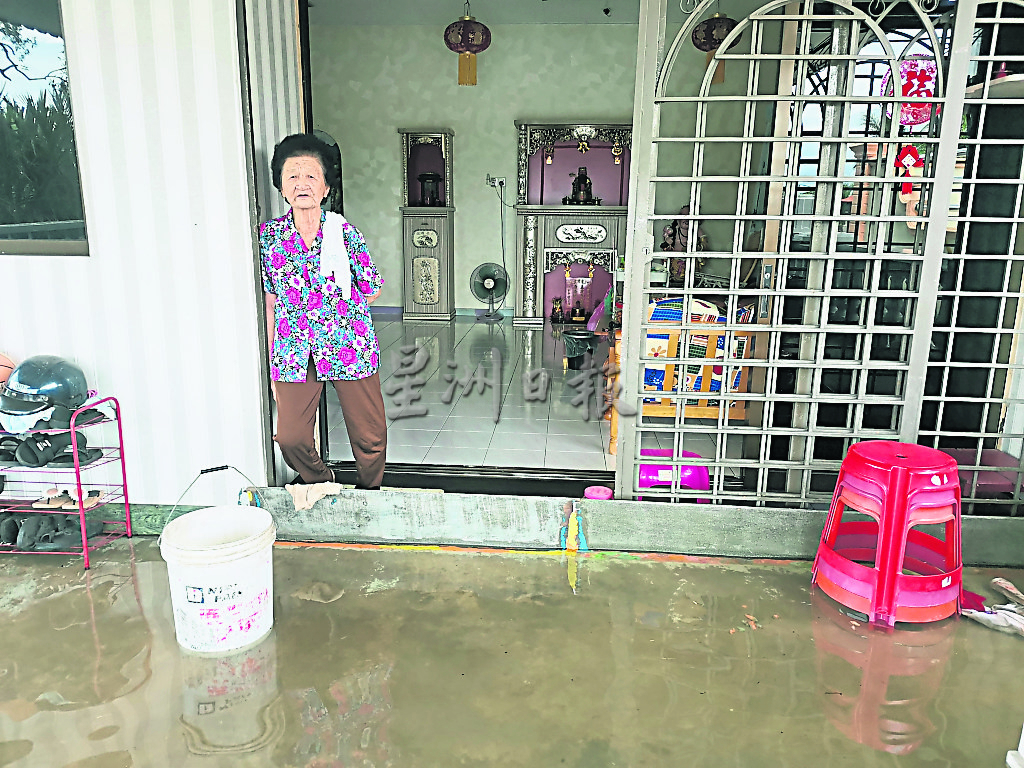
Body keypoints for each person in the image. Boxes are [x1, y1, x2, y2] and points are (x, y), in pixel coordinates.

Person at [261, 133, 387, 489]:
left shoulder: (342, 232)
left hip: (348, 344)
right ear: (281, 188)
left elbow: (373, 288)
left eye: (311, 176)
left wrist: (338, 305)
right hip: (294, 349)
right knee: (290, 437)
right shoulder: (268, 238)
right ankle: (321, 481)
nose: (302, 184)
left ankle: (369, 494)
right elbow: (271, 301)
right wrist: (274, 362)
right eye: (292, 176)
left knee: (370, 437)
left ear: (326, 187)